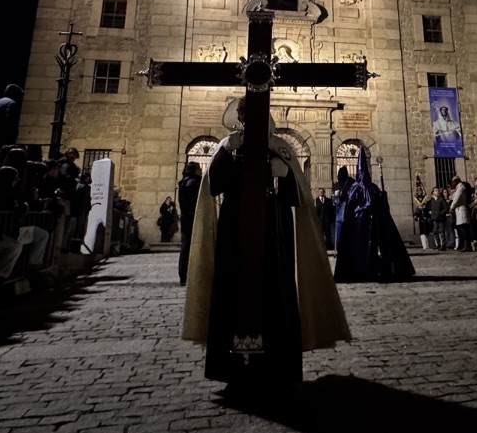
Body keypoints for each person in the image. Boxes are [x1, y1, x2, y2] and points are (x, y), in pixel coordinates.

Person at [181, 97, 350, 395]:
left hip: (274, 234)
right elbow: (215, 185)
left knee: (275, 291)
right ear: (240, 118)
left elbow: (296, 196)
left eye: (254, 115)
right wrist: (228, 154)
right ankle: (232, 368)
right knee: (233, 291)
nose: (249, 121)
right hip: (235, 233)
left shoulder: (281, 148)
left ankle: (278, 367)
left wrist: (284, 177)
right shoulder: (228, 145)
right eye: (245, 116)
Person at [334, 148, 415, 282]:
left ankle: (366, 270)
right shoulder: (368, 188)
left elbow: (354, 206)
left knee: (365, 249)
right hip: (364, 225)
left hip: (364, 225)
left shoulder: (359, 188)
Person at [176, 162, 201, 285]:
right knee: (189, 246)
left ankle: (183, 274)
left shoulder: (184, 181)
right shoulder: (192, 183)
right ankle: (187, 275)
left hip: (186, 217)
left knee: (186, 245)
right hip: (191, 217)